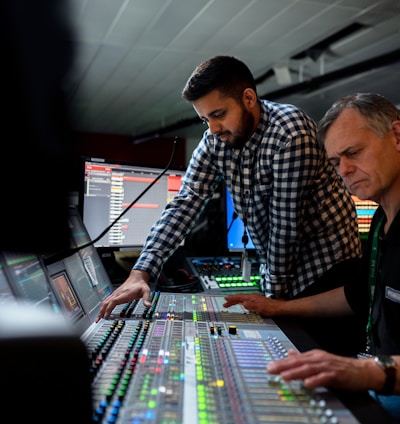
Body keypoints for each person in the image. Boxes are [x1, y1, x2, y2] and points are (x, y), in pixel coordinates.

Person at [96, 55, 362, 352]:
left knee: (330, 375)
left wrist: (273, 305)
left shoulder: (290, 132)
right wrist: (140, 272)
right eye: (204, 119)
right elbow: (185, 203)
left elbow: (285, 228)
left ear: (248, 98)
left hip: (329, 270)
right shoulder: (215, 142)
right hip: (285, 270)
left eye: (219, 114)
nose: (212, 128)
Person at [224, 93, 400, 419]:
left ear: (398, 137)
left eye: (353, 153)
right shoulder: (381, 221)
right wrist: (279, 307)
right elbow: (356, 294)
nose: (343, 171)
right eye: (335, 162)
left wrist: (369, 372)